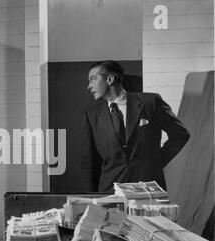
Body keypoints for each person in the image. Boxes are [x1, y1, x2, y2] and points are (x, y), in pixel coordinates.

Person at [80, 60, 190, 193]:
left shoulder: (150, 102)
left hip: (148, 190)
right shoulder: (92, 114)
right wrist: (89, 198)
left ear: (109, 79)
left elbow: (180, 134)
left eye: (93, 79)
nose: (89, 86)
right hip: (110, 191)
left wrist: (156, 162)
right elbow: (89, 162)